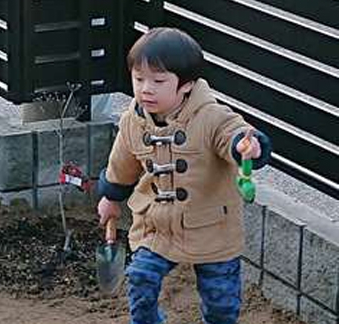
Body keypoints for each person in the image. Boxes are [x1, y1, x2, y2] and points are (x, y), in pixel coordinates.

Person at [97, 27, 272, 324]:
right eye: (139, 79)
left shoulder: (211, 116)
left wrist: (248, 146)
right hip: (157, 224)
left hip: (212, 226)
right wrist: (111, 196)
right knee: (140, 280)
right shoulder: (133, 122)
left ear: (187, 85)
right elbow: (121, 164)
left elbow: (233, 134)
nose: (145, 89)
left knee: (221, 303)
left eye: (158, 81)